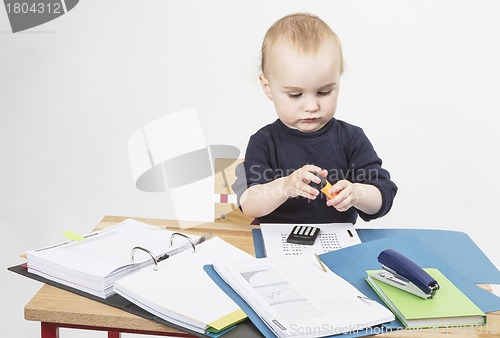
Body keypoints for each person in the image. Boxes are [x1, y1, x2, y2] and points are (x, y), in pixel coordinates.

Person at [233, 13, 397, 225]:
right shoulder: (264, 141)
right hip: (277, 249)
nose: (312, 106)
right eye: (295, 95)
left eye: (324, 92)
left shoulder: (351, 138)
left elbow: (383, 197)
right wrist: (285, 186)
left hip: (336, 247)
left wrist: (356, 193)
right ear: (268, 88)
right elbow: (248, 203)